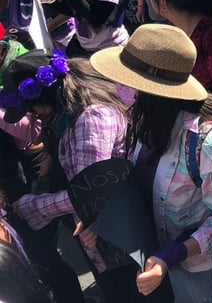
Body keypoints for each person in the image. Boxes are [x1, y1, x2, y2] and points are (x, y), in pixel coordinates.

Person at [90, 24, 212, 302]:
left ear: (151, 91)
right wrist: (102, 217)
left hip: (198, 272)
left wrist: (173, 254)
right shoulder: (142, 121)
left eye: (127, 81)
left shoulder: (207, 143)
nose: (120, 87)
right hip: (153, 258)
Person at [2, 51, 133, 302]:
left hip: (113, 236)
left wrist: (33, 206)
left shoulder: (90, 120)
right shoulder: (72, 110)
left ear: (49, 97)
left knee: (125, 292)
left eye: (33, 109)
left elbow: (87, 195)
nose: (34, 115)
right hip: (100, 229)